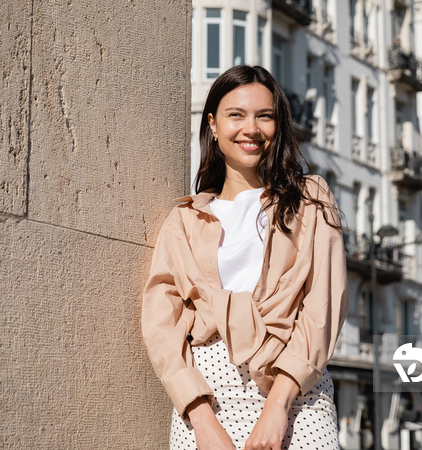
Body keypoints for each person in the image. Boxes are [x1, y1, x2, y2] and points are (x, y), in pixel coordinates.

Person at [142, 65, 348, 450]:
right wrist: (201, 419)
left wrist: (277, 407)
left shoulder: (311, 200)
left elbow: (322, 306)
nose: (250, 128)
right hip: (207, 397)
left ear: (278, 126)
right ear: (213, 125)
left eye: (264, 116)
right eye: (235, 115)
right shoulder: (184, 221)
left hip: (295, 392)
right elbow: (161, 327)